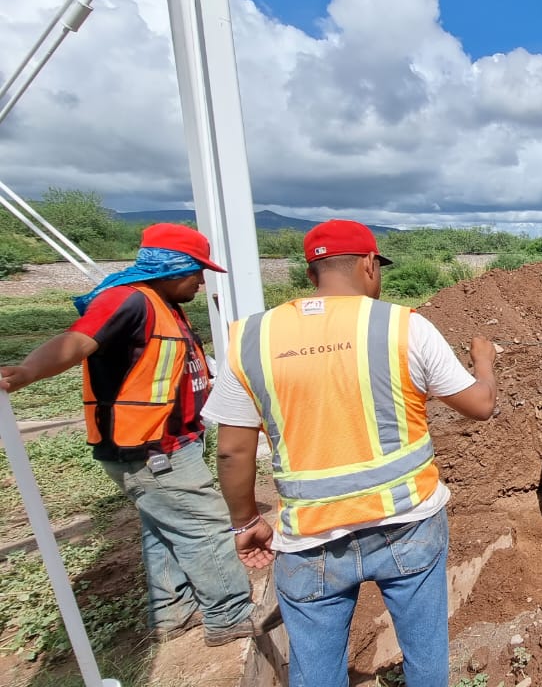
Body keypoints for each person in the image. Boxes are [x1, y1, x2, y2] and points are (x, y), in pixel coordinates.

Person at [202, 219, 497, 687]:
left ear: (310, 274)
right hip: (407, 524)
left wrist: (245, 522)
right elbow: (479, 406)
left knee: (316, 672)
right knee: (426, 658)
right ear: (368, 264)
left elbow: (233, 453)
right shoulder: (404, 327)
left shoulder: (251, 340)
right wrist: (484, 361)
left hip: (310, 537)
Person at [0, 223, 266, 646]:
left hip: (160, 443)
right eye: (197, 271)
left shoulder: (160, 304)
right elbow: (78, 339)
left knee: (163, 529)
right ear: (172, 266)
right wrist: (28, 371)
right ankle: (230, 614)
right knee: (205, 524)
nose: (201, 280)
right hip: (150, 447)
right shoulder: (127, 300)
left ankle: (174, 612)